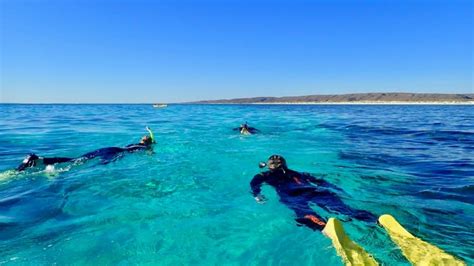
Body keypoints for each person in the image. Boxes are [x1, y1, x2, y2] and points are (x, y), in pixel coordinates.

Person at [250, 155, 376, 231]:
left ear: (269, 166)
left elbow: (254, 183)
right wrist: (337, 190)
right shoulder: (298, 173)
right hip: (316, 191)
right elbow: (320, 181)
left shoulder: (265, 175)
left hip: (293, 197)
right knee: (346, 210)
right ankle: (373, 219)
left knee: (306, 215)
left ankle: (324, 227)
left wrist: (257, 194)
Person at [16, 126, 156, 172]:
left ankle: (40, 160)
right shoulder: (143, 146)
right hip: (115, 152)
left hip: (108, 148)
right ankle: (53, 169)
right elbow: (150, 149)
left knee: (78, 159)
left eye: (144, 137)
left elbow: (151, 138)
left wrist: (150, 132)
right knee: (89, 164)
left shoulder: (138, 144)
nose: (143, 137)